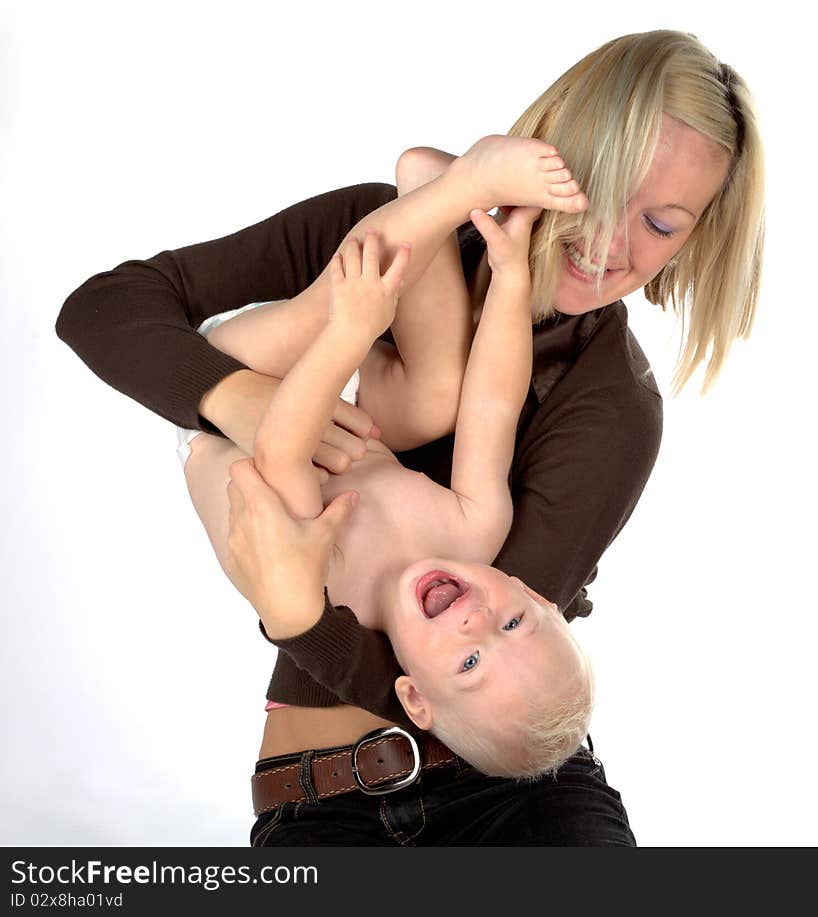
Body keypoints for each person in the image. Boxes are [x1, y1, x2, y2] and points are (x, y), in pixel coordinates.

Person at [56, 29, 764, 845]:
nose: (610, 241)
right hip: (321, 798)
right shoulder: (379, 239)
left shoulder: (614, 408)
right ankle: (387, 249)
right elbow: (105, 308)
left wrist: (297, 615)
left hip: (517, 798)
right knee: (417, 381)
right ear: (557, 142)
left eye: (663, 223)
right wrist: (240, 400)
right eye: (602, 183)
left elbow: (444, 668)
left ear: (697, 238)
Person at [183, 186, 594, 778]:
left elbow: (279, 451)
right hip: (339, 403)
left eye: (471, 661)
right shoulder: (476, 529)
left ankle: (452, 192)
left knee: (331, 308)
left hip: (229, 408)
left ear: (414, 698)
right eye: (513, 623)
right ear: (534, 596)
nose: (475, 621)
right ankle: (445, 192)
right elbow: (492, 407)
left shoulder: (329, 585)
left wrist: (349, 332)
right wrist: (509, 280)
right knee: (441, 399)